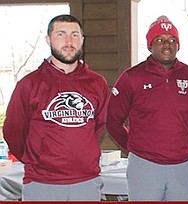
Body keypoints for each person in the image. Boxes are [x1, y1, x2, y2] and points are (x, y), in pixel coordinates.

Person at [2, 14, 109, 201]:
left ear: (82, 40)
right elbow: (13, 131)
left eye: (75, 35)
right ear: (48, 39)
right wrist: (38, 160)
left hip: (87, 182)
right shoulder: (29, 84)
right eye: (61, 34)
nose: (69, 41)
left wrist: (82, 153)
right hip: (42, 184)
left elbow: (99, 125)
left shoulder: (97, 83)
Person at [106, 16, 188, 201]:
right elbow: (112, 119)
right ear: (150, 45)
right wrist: (133, 147)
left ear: (178, 45)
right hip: (145, 166)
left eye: (172, 40)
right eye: (160, 39)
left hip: (183, 166)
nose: (167, 44)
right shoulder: (132, 77)